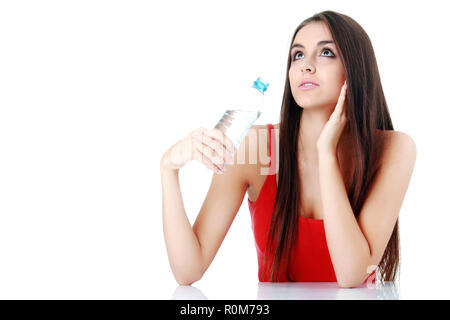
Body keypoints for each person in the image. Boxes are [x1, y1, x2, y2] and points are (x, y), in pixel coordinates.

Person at [160, 10, 416, 288]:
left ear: (355, 70)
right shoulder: (255, 147)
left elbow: (351, 275)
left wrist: (326, 153)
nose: (306, 65)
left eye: (326, 53)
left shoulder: (393, 149)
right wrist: (168, 168)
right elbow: (188, 270)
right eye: (298, 55)